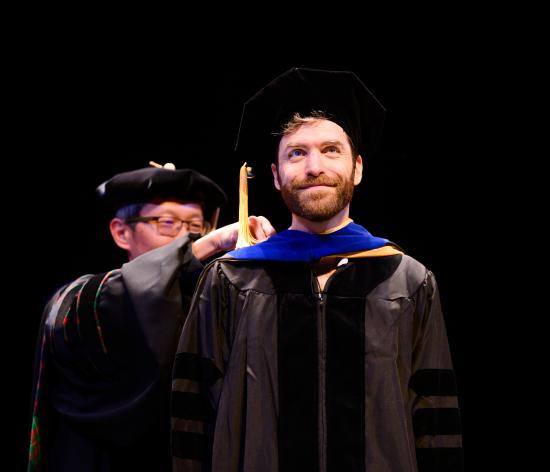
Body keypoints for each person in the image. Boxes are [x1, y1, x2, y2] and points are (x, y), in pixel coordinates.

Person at [171, 68, 463, 471]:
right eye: (296, 153)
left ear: (357, 168)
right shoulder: (231, 279)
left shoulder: (408, 280)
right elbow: (194, 416)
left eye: (330, 150)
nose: (313, 167)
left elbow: (433, 415)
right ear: (275, 176)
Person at [28, 163, 275, 471]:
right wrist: (207, 243)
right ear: (121, 232)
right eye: (168, 222)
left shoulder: (213, 303)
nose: (185, 236)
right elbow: (121, 299)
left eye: (196, 226)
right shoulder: (80, 300)